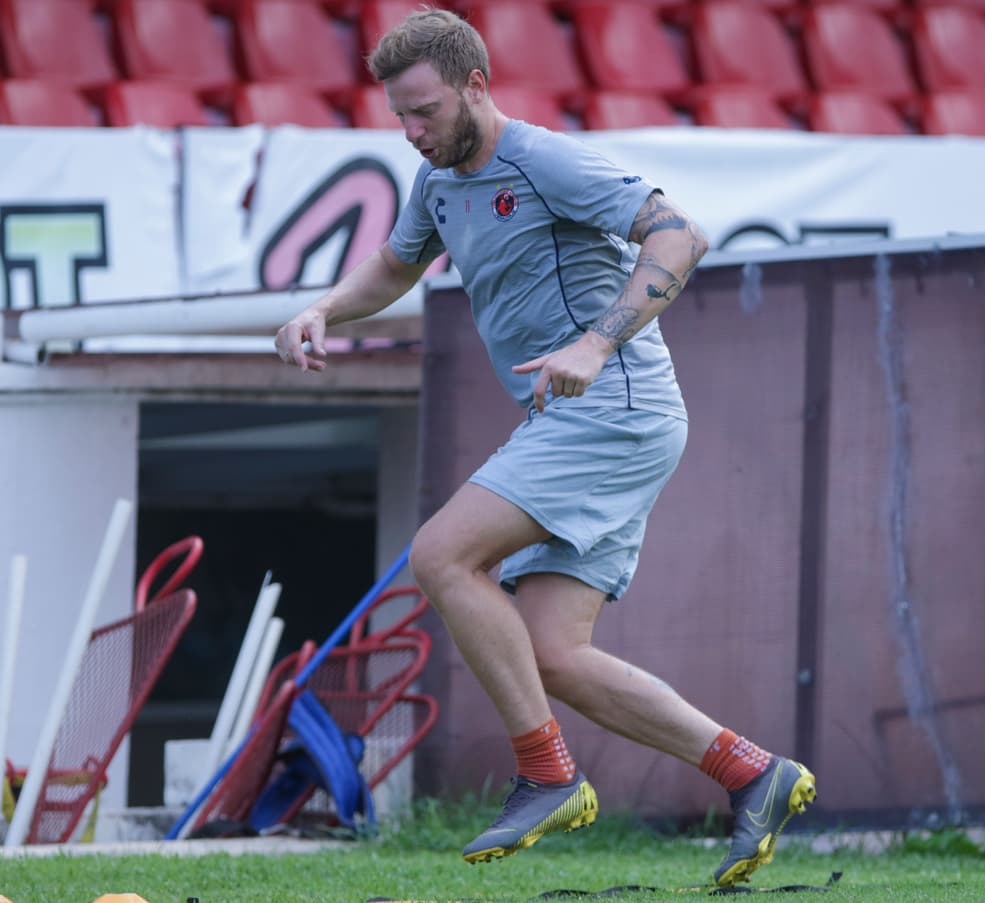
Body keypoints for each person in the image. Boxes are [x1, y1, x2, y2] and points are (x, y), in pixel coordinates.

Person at [274, 7, 816, 887]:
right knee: (552, 652)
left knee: (442, 554)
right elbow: (399, 263)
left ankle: (547, 773)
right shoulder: (440, 178)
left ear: (476, 86)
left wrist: (596, 343)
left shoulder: (546, 159)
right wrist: (321, 309)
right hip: (586, 418)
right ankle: (754, 772)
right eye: (399, 117)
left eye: (426, 111)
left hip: (614, 405)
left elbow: (681, 234)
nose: (412, 134)